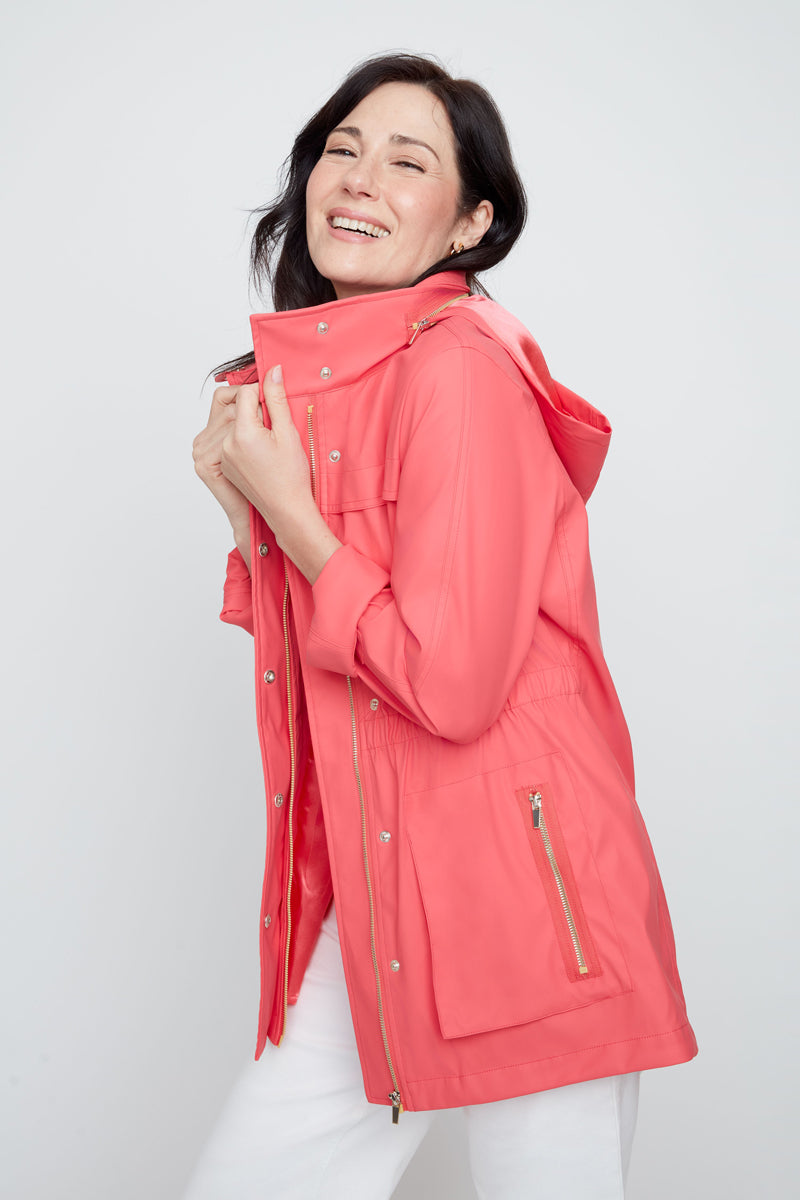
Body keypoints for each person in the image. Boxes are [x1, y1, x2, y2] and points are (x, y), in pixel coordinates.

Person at [188, 51, 697, 1200]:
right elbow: (331, 660)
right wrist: (247, 517)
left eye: (406, 161)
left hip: (528, 901)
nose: (358, 179)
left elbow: (447, 682)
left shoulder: (457, 371)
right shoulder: (344, 381)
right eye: (341, 149)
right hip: (384, 891)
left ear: (468, 220)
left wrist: (291, 516)